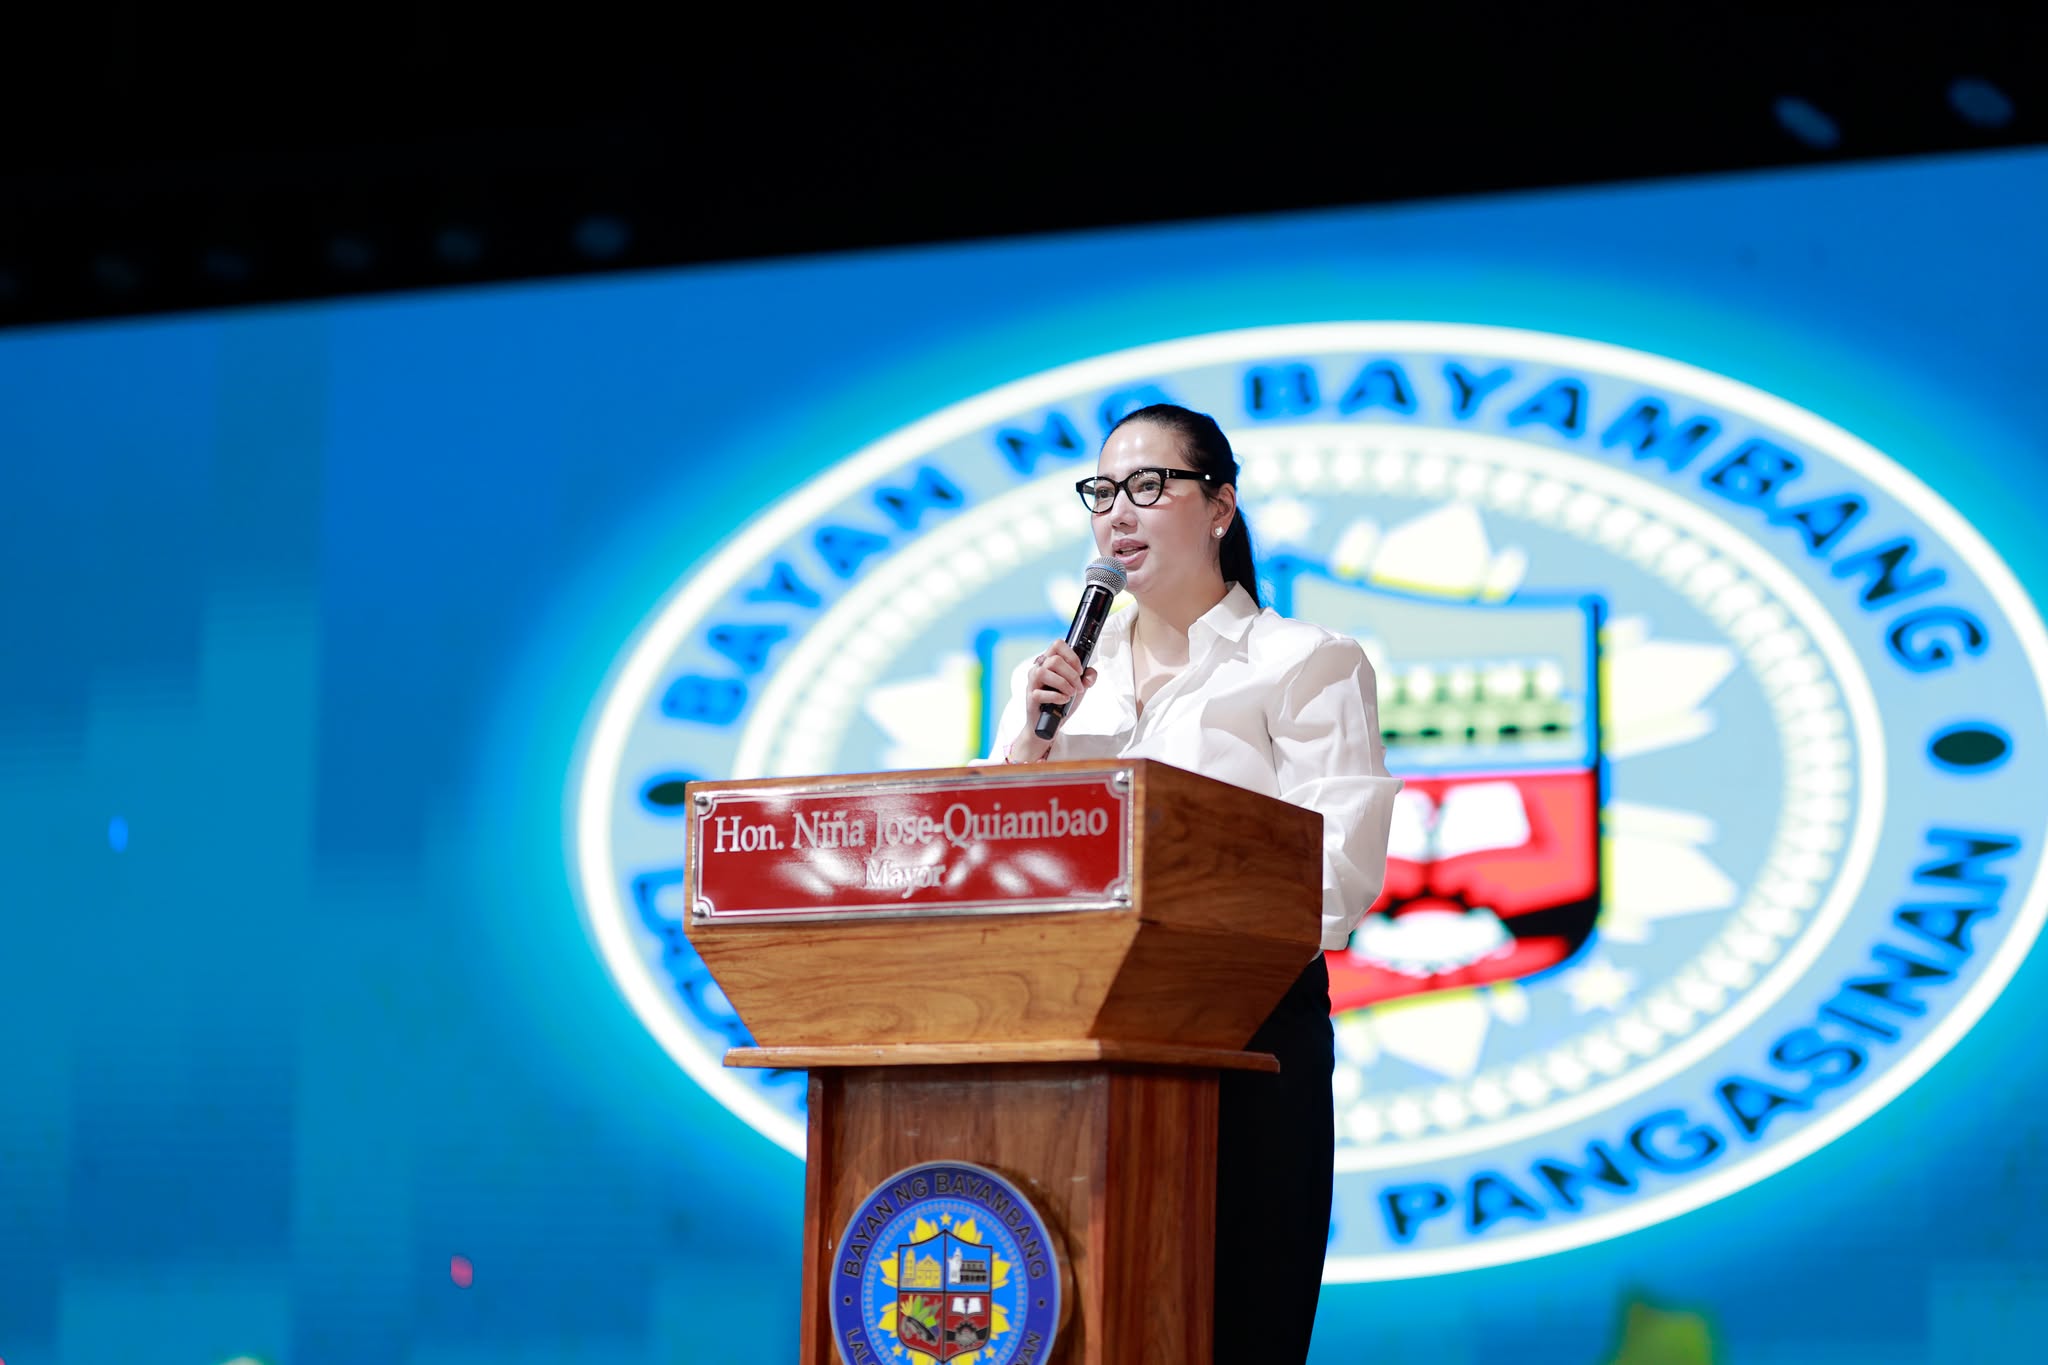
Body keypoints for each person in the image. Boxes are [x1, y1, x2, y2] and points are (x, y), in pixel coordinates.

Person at [988, 403, 1400, 1364]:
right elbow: (991, 858)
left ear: (1220, 506)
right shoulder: (1055, 683)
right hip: (1077, 1034)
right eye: (1102, 492)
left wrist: (1185, 909)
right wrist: (1033, 746)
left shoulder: (1306, 662)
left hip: (1245, 1030)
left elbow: (1336, 873)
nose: (1117, 512)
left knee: (1233, 1323)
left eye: (1148, 485)